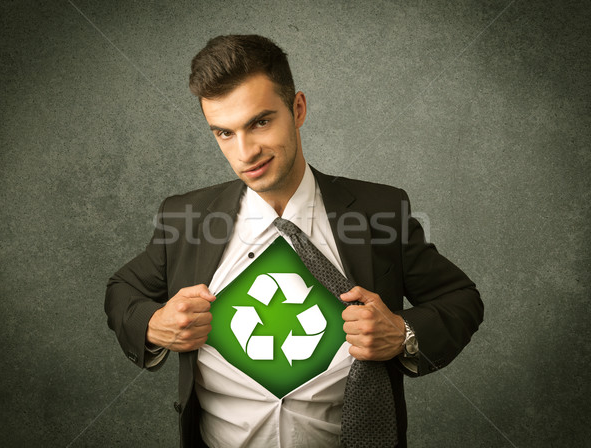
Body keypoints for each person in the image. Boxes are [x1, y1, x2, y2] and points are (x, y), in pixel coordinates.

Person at [105, 34, 484, 448]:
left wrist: (403, 332)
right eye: (224, 133)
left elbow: (460, 299)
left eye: (260, 122)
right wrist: (154, 326)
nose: (245, 152)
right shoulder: (185, 217)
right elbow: (122, 291)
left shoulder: (381, 211)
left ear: (297, 109)